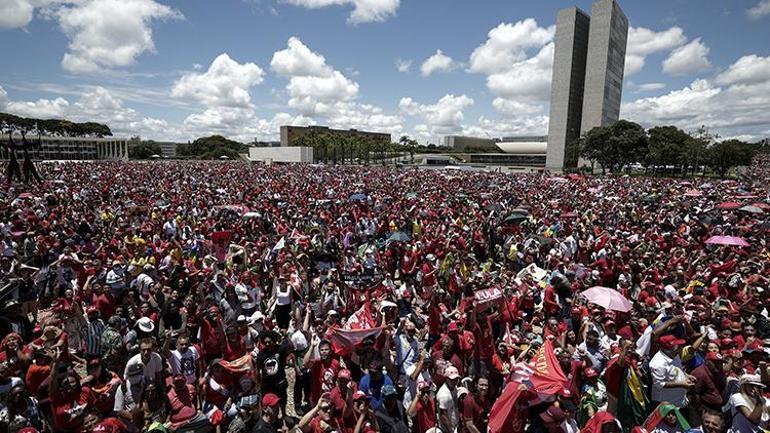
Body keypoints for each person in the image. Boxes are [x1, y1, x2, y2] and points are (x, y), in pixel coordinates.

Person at [649, 335, 695, 408]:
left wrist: (686, 375)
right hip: (668, 405)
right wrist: (681, 384)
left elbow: (678, 369)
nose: (680, 349)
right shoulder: (658, 364)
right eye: (677, 348)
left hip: (680, 400)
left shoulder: (674, 355)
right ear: (667, 350)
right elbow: (659, 384)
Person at [436, 366, 460, 433]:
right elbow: (443, 415)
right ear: (446, 379)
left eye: (456, 379)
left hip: (455, 424)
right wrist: (451, 430)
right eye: (452, 380)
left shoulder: (454, 388)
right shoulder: (444, 395)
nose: (454, 382)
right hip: (447, 429)